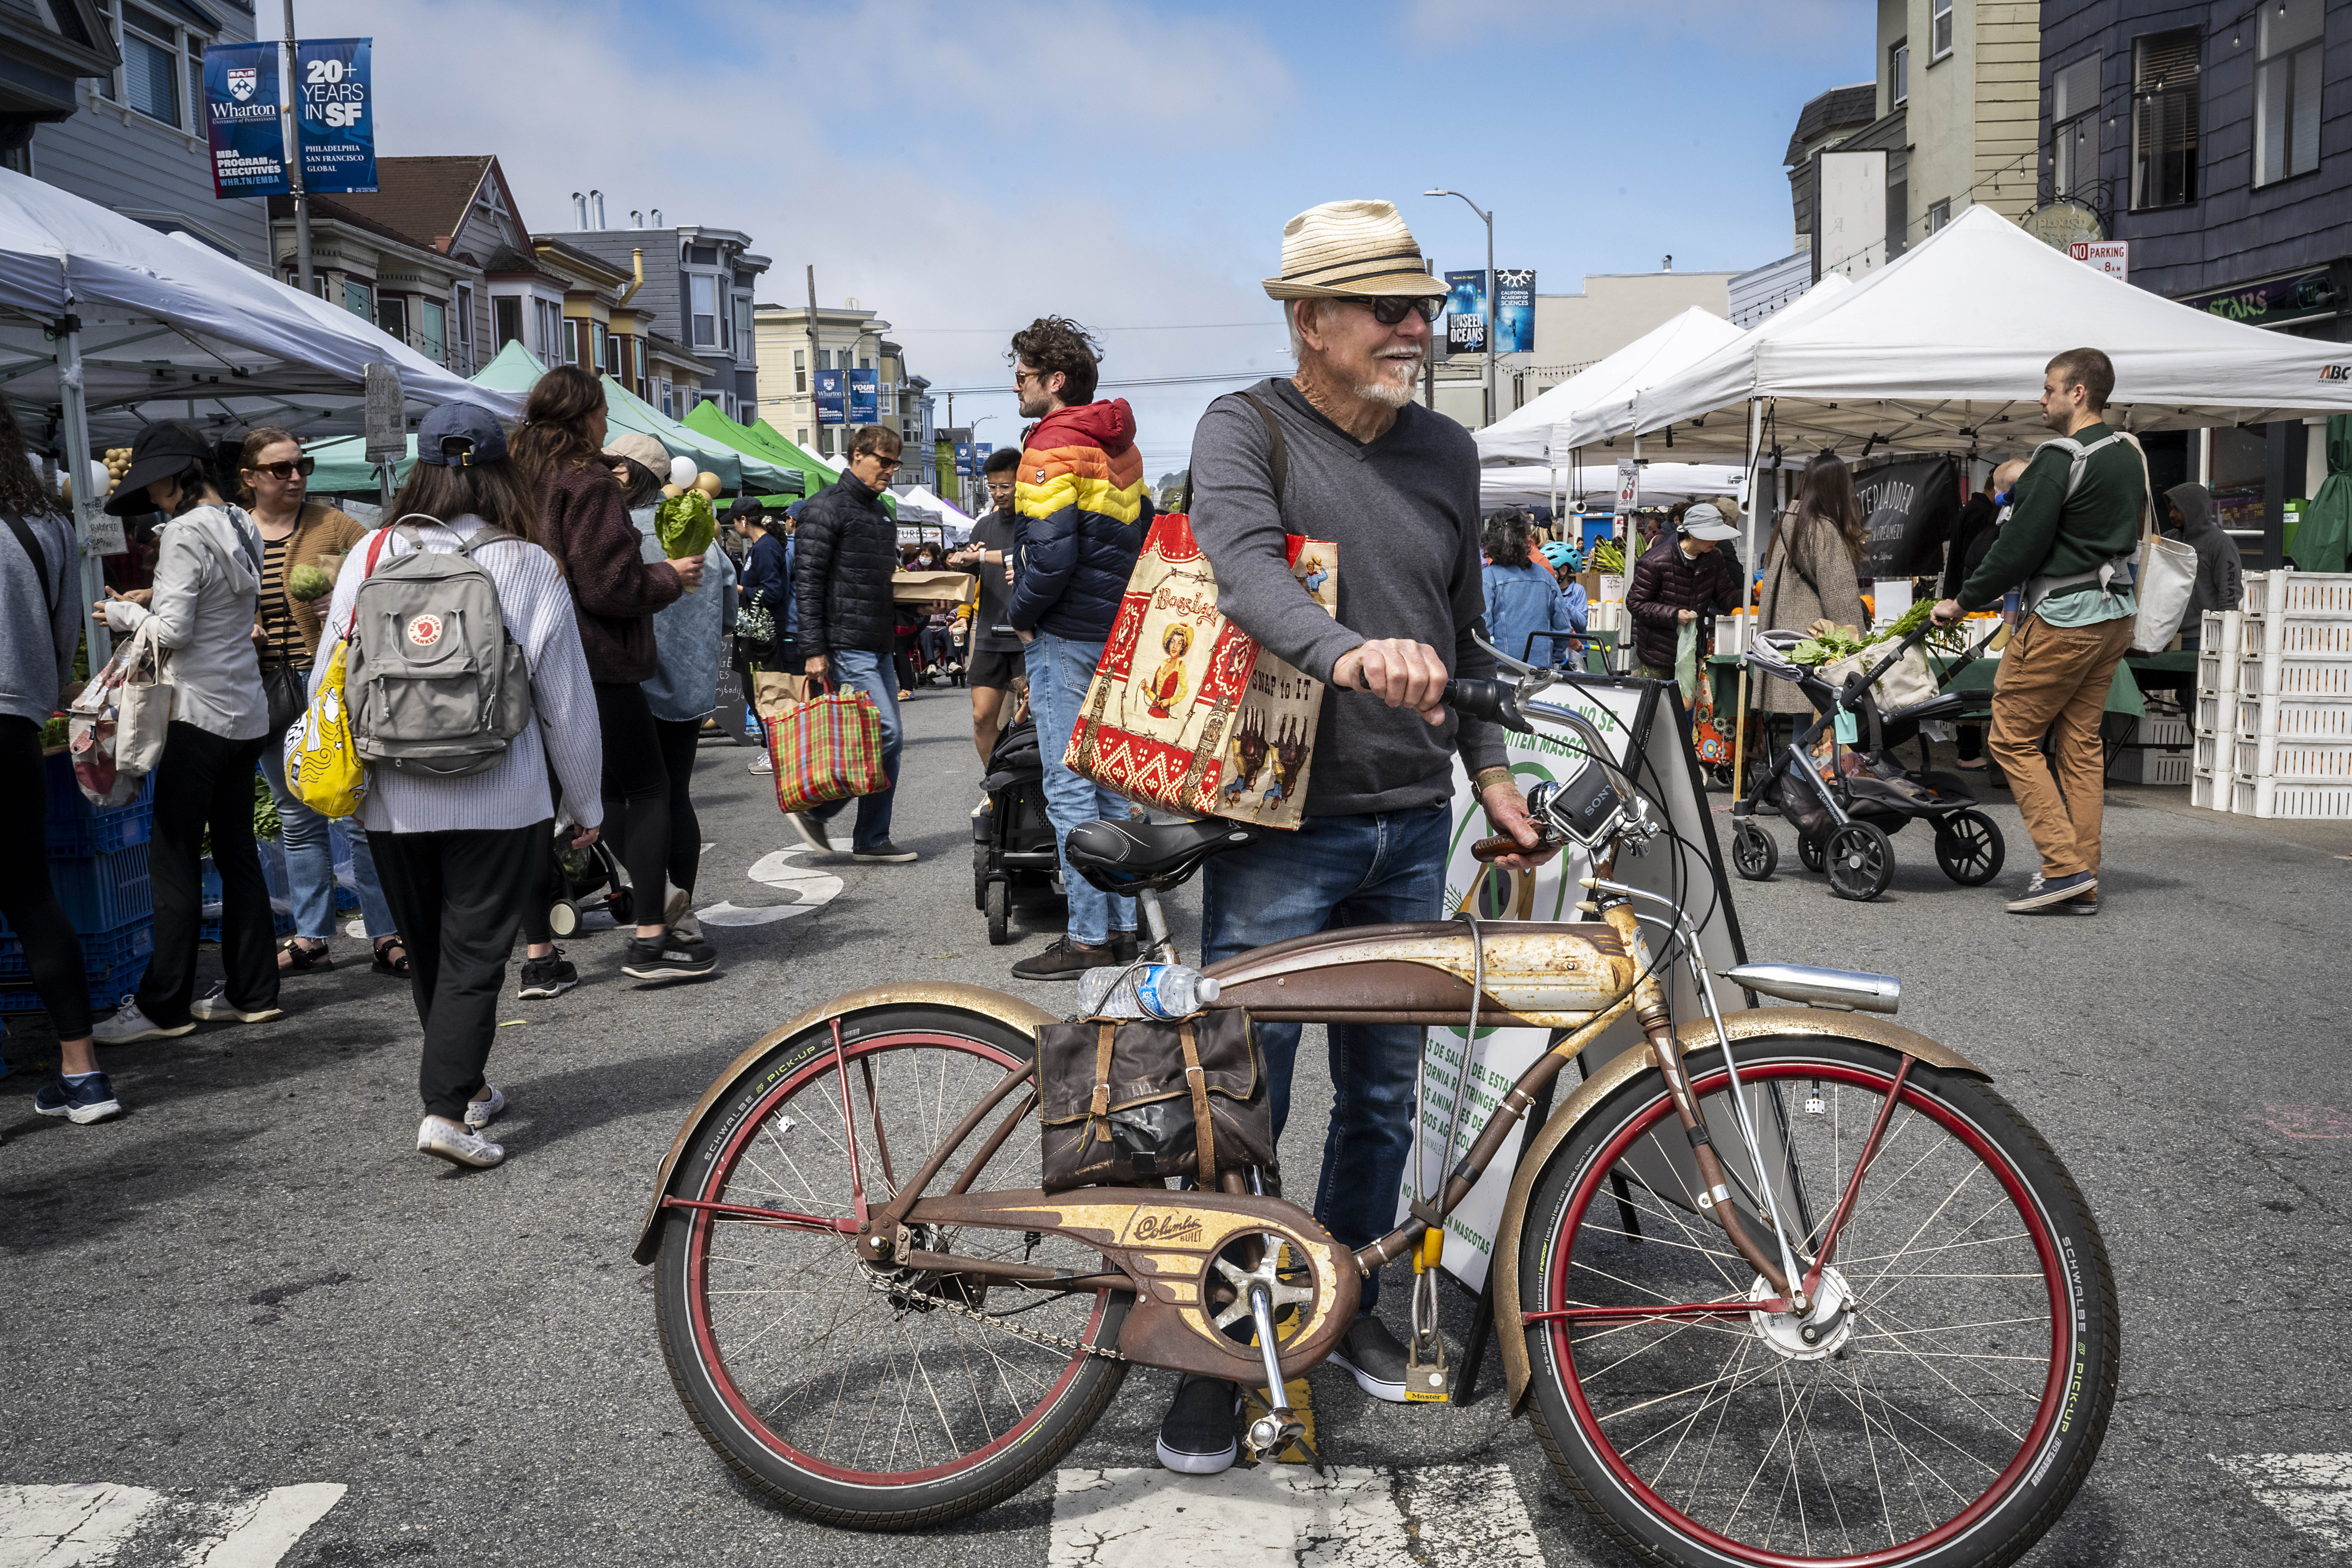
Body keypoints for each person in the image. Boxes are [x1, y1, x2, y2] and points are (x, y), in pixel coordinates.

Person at [1173, 198, 1552, 1473]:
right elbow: (1243, 574)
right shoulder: (1247, 428)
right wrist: (1349, 654)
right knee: (1247, 1093)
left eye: (1423, 304)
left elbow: (1457, 633)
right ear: (1309, 321)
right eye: (1387, 306)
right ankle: (1227, 1336)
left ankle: (1337, 1308)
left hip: (1407, 817)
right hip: (1281, 823)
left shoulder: (1445, 449)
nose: (1416, 325)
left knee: (1384, 1096)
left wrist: (1491, 774)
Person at [317, 402, 604, 1169]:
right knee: (477, 952)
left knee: (432, 950)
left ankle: (468, 1087)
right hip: (500, 788)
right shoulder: (527, 562)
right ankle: (446, 1113)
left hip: (389, 792)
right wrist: (588, 801)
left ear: (423, 470)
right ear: (502, 472)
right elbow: (565, 699)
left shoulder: (371, 552)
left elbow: (330, 678)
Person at [512, 365, 716, 982]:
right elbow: (610, 585)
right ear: (587, 415)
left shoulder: (511, 475)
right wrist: (668, 578)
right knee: (644, 790)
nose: (608, 423)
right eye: (603, 411)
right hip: (592, 658)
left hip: (517, 656)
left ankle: (539, 957)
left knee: (532, 804)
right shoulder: (586, 481)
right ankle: (653, 937)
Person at [1932, 347, 2145, 916]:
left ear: (2079, 392)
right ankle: (2085, 878)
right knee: (2079, 748)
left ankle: (2062, 866)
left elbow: (2018, 548)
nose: (2041, 398)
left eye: (2050, 388)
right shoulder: (2130, 453)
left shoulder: (2058, 457)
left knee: (2010, 739)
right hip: (2115, 614)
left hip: (2064, 617)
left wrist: (1962, 600)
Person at [91, 422, 281, 1044]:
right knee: (237, 854)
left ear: (177, 476)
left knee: (174, 858)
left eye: (155, 485)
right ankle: (253, 991)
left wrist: (124, 611)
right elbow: (221, 611)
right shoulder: (241, 524)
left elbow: (169, 634)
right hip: (245, 712)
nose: (153, 498)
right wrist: (160, 599)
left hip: (198, 716)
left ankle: (163, 1005)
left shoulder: (182, 533)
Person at [1001, 315, 1151, 981]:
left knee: (1068, 790)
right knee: (1112, 787)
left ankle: (1087, 937)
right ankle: (1123, 928)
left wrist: (1021, 613)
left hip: (1063, 633)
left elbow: (1053, 551)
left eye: (1025, 375)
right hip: (1113, 631)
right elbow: (1138, 534)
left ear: (1054, 381)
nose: (1016, 386)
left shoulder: (1052, 444)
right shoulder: (1120, 446)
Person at [236, 427, 407, 981]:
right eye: (280, 468)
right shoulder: (234, 532)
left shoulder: (334, 526)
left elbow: (391, 575)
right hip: (263, 689)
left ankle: (386, 933)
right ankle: (312, 939)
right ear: (249, 477)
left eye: (301, 466)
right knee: (296, 816)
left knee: (359, 811)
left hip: (332, 684)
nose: (294, 477)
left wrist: (344, 596)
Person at [0, 403, 107, 1123]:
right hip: (15, 722)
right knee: (33, 897)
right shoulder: (47, 525)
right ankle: (85, 1073)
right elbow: (68, 630)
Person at [616, 432, 736, 936]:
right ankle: (682, 907)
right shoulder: (703, 536)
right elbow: (730, 609)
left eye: (614, 469)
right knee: (675, 795)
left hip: (628, 685)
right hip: (688, 686)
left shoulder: (618, 535)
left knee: (623, 798)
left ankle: (658, 899)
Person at [789, 424, 917, 863]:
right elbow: (807, 584)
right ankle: (817, 810)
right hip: (845, 644)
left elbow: (883, 586)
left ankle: (873, 838)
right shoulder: (824, 508)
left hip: (878, 641)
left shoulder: (882, 512)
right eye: (884, 461)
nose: (891, 471)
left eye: (895, 463)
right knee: (887, 733)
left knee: (890, 744)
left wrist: (923, 604)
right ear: (857, 455)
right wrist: (813, 650)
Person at [1757, 456, 1869, 718]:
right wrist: (1861, 651)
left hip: (1788, 639)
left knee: (1805, 729)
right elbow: (1842, 600)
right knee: (1817, 733)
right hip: (1815, 643)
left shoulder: (1788, 522)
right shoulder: (1822, 528)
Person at [1940, 459, 2028, 767]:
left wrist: (1960, 604)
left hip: (1984, 616)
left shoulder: (1992, 527)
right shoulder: (2003, 530)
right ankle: (2003, 762)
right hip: (2002, 620)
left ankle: (1989, 756)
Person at [950, 447, 1026, 772]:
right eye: (993, 486)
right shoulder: (983, 526)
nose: (998, 493)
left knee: (1031, 720)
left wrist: (980, 557)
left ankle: (1033, 787)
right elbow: (970, 581)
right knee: (983, 717)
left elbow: (1022, 553)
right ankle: (997, 784)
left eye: (1006, 486)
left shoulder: (1035, 521)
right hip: (989, 636)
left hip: (1029, 636)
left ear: (1021, 481)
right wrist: (961, 615)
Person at [1624, 501, 1741, 681]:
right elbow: (1635, 603)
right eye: (1710, 536)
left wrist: (1749, 596)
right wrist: (1673, 615)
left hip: (1693, 649)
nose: (1715, 541)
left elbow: (1725, 596)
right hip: (1658, 653)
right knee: (1660, 706)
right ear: (1692, 533)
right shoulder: (1655, 561)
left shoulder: (1715, 557)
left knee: (1687, 706)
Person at [734, 499, 791, 777]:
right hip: (754, 628)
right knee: (755, 690)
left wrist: (741, 589)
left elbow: (772, 593)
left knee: (765, 692)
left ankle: (778, 753)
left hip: (763, 629)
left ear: (745, 520)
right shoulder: (761, 547)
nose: (733, 527)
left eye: (734, 521)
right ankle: (772, 747)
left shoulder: (766, 548)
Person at [1481, 509, 1578, 667]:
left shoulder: (1489, 577)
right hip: (1541, 673)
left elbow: (1482, 632)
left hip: (1504, 673)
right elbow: (1563, 630)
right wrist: (1549, 655)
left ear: (1490, 541)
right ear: (1526, 538)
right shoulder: (1545, 575)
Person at [2163, 481, 2242, 646]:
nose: (2172, 514)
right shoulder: (2169, 540)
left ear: (2194, 508)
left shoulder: (2221, 544)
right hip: (2166, 634)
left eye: (2178, 509)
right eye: (2171, 508)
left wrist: (2225, 635)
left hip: (2203, 636)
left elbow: (2230, 593)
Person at [1539, 539, 1590, 652]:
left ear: (1563, 570)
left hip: (1577, 653)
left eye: (1550, 571)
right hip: (1553, 653)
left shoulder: (1578, 590)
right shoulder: (1544, 591)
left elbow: (1582, 623)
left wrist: (1562, 603)